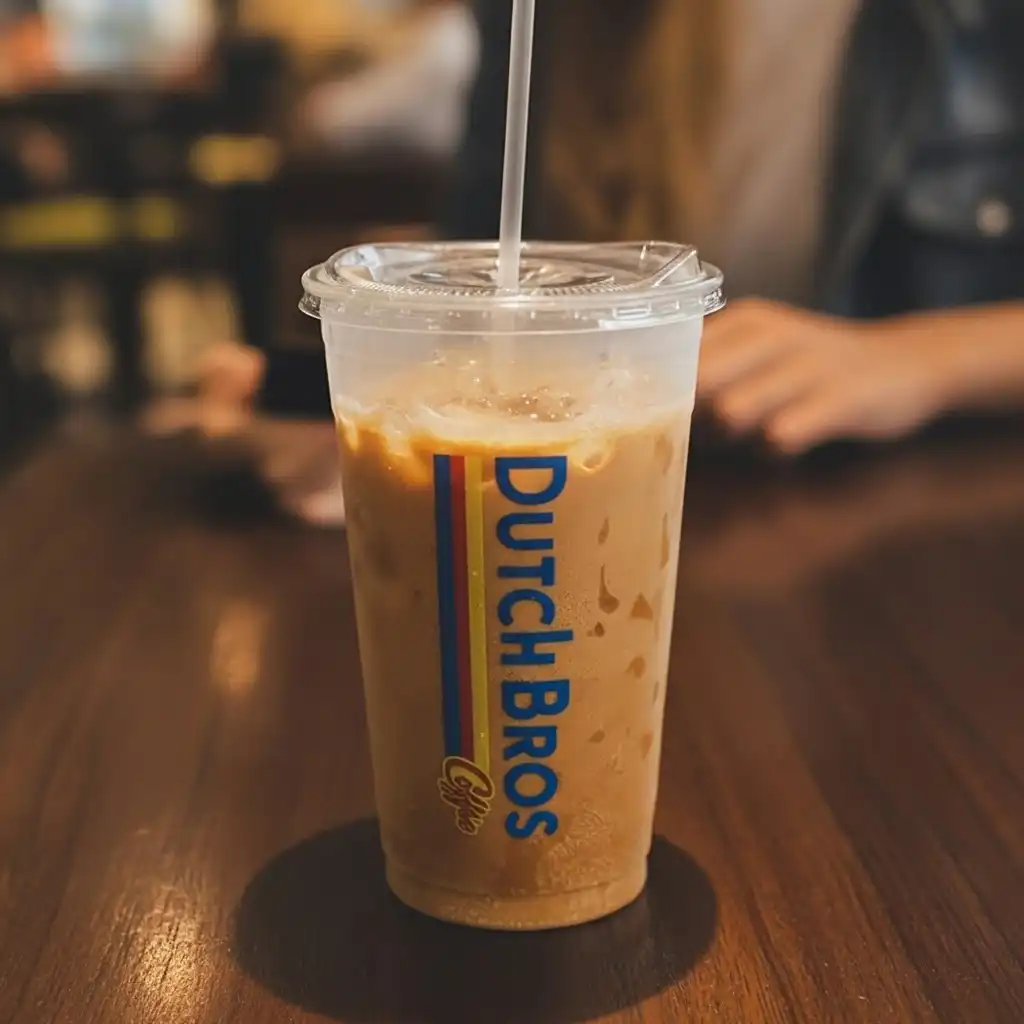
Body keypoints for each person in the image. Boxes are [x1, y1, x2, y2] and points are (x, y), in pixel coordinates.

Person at [161, 0, 1024, 524]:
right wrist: (347, 390)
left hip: (923, 561)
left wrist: (918, 362)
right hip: (610, 522)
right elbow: (488, 277)